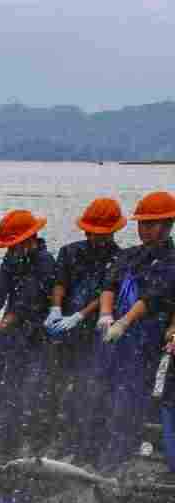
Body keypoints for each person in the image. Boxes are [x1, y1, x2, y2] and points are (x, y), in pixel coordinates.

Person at [85, 190, 175, 472]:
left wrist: (125, 323)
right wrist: (106, 315)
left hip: (142, 344)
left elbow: (152, 298)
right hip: (110, 341)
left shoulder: (171, 262)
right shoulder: (129, 255)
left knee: (128, 404)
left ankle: (115, 464)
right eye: (141, 223)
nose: (143, 229)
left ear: (167, 225)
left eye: (149, 224)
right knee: (96, 395)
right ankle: (91, 457)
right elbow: (109, 284)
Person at [50, 197, 127, 461]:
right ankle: (60, 440)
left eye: (101, 234)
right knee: (57, 387)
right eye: (92, 233)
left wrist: (80, 315)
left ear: (113, 232)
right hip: (64, 333)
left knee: (89, 391)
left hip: (96, 336)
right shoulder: (69, 252)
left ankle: (85, 447)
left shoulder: (120, 258)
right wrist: (56, 309)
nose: (96, 238)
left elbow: (107, 290)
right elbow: (60, 281)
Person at [0, 210, 59, 459]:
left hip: (37, 340)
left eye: (14, 245)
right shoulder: (12, 257)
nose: (11, 249)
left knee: (33, 395)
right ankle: (5, 446)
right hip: (11, 339)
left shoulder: (45, 262)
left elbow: (24, 304)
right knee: (8, 393)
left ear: (29, 239)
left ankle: (35, 450)